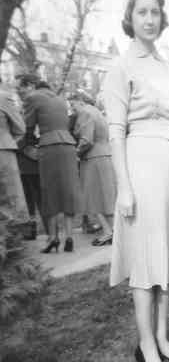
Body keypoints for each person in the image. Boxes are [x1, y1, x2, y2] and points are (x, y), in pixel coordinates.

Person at [102, 0, 169, 362]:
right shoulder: (121, 66)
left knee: (166, 255)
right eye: (142, 12)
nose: (150, 19)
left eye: (155, 12)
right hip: (142, 169)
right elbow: (115, 132)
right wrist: (124, 187)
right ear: (130, 17)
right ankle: (145, 344)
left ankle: (162, 335)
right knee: (145, 259)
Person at [16, 74, 81, 253]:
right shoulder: (60, 99)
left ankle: (53, 238)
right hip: (68, 146)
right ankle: (69, 237)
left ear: (31, 85)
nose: (19, 91)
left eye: (21, 87)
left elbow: (27, 128)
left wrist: (26, 146)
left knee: (49, 191)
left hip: (49, 147)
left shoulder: (33, 97)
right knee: (68, 190)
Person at [70, 91, 116, 246]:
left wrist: (75, 153)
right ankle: (114, 230)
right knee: (106, 196)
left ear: (80, 101)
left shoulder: (85, 113)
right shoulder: (97, 112)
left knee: (92, 197)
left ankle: (107, 232)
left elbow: (86, 140)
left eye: (73, 105)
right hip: (105, 155)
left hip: (92, 158)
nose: (72, 109)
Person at [0, 80, 29, 224]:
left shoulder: (3, 97)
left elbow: (20, 129)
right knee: (12, 194)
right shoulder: (3, 97)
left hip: (3, 148)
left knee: (9, 195)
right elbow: (20, 128)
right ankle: (16, 230)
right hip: (3, 149)